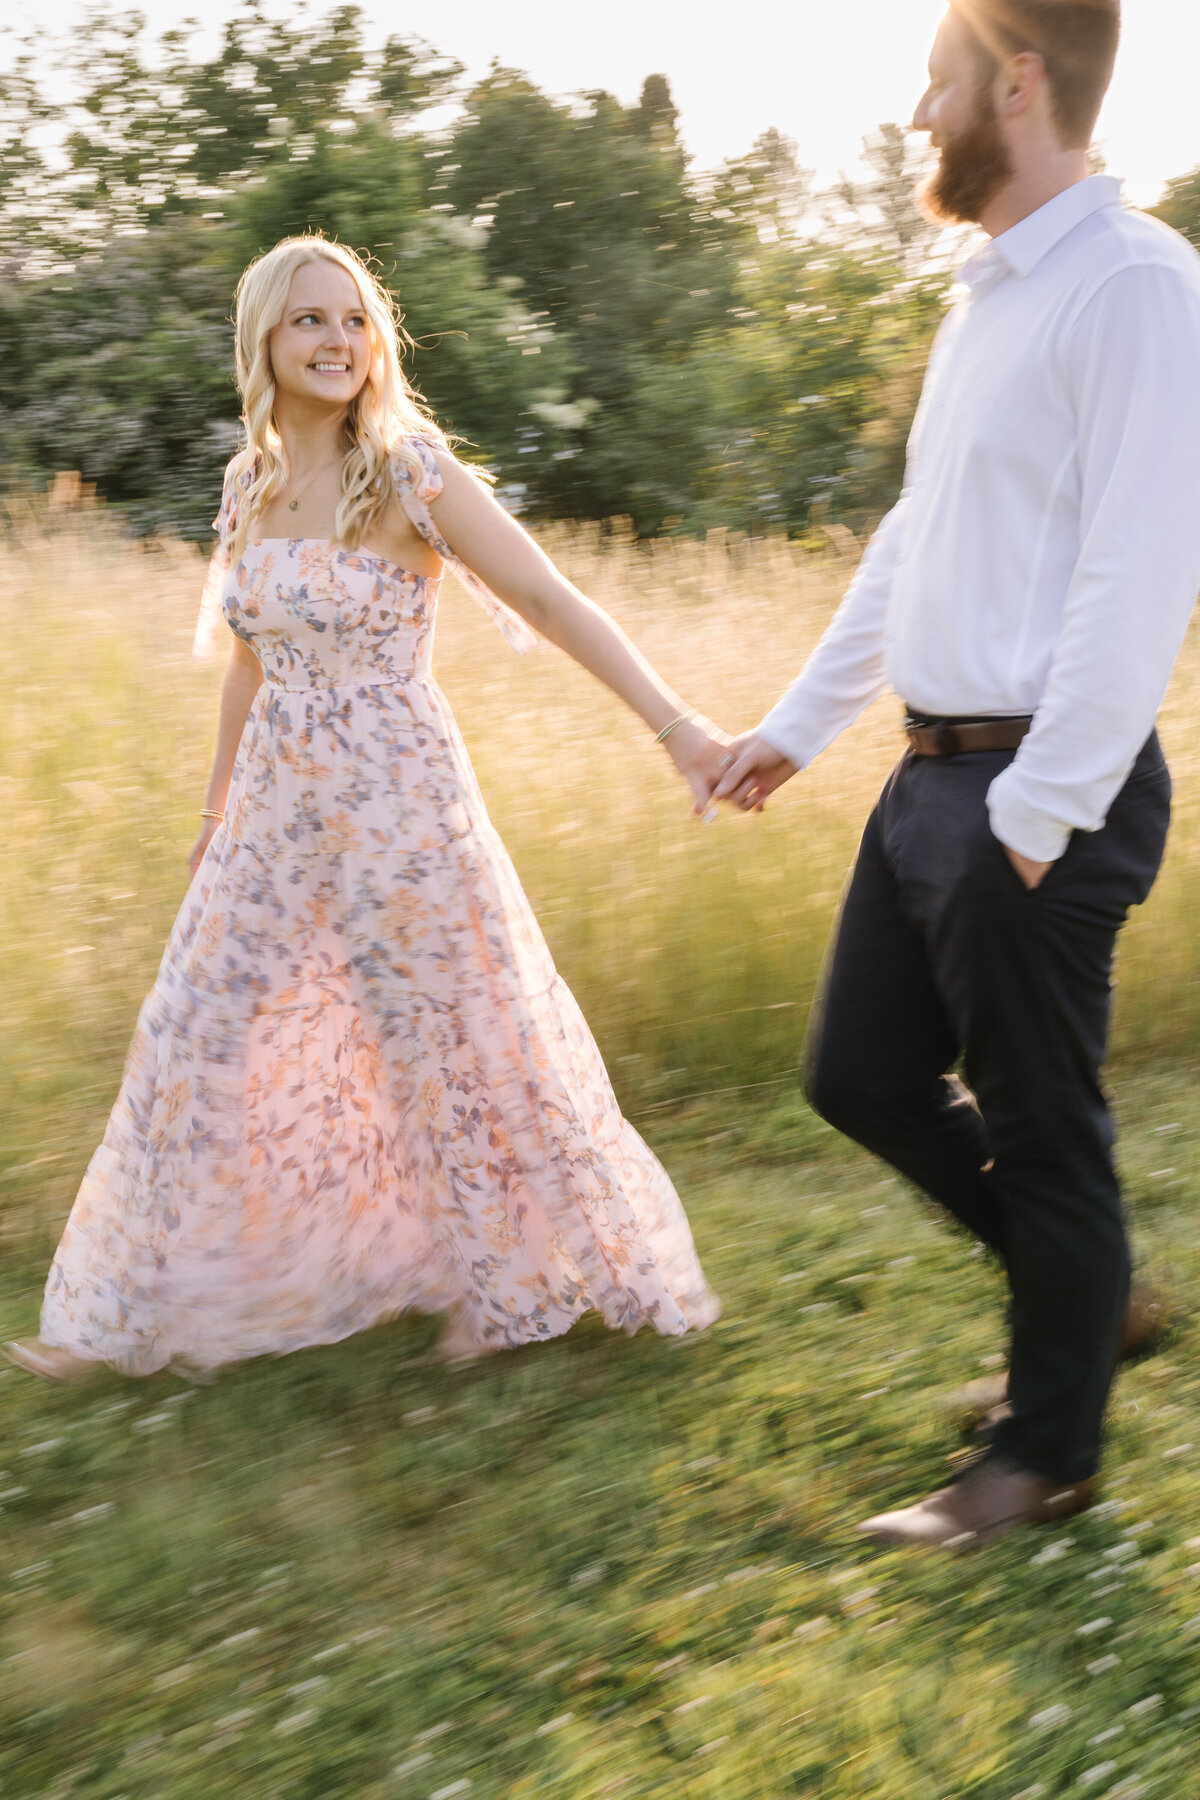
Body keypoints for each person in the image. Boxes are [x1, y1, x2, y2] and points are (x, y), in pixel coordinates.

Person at [5, 235, 723, 1382]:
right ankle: (120, 1324)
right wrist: (211, 814)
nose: (338, 340)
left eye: (353, 320)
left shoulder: (410, 469)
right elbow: (248, 666)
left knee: (438, 1038)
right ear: (265, 342)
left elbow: (542, 591)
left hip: (398, 799)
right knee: (192, 1031)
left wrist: (678, 727)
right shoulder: (247, 482)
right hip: (273, 811)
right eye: (310, 321)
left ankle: (509, 1289)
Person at [711, 0, 1200, 1546]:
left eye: (936, 81)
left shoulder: (1137, 291)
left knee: (1046, 1128)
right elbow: (914, 543)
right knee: (854, 1073)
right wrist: (797, 725)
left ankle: (1039, 1460)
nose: (919, 115)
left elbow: (1142, 572)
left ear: (1019, 78)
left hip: (1040, 792)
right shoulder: (984, 297)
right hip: (930, 776)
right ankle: (1090, 1295)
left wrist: (1042, 814)